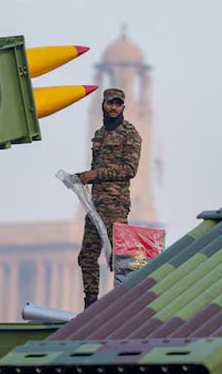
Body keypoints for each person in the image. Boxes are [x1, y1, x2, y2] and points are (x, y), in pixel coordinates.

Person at [78, 87, 142, 309]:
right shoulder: (99, 134)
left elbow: (129, 169)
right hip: (95, 206)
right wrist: (84, 177)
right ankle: (90, 304)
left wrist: (97, 174)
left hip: (115, 206)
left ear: (123, 107)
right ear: (103, 105)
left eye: (118, 104)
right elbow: (98, 167)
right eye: (110, 103)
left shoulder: (130, 134)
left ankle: (126, 304)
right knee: (87, 257)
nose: (113, 108)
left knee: (122, 259)